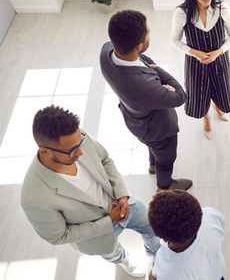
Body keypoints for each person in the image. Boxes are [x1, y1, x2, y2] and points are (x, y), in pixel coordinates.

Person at [21, 105, 161, 278]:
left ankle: (156, 257)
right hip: (96, 235)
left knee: (152, 227)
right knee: (113, 253)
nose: (80, 151)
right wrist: (110, 220)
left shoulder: (76, 139)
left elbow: (104, 158)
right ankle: (123, 260)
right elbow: (59, 236)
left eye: (80, 143)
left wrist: (122, 196)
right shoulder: (33, 197)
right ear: (45, 151)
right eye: (72, 150)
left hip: (125, 203)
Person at [100, 9, 192, 192]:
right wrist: (157, 68)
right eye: (148, 32)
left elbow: (143, 59)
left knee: (153, 148)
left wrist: (153, 72)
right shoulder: (145, 88)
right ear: (138, 46)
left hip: (135, 121)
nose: (150, 34)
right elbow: (181, 95)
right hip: (158, 130)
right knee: (166, 160)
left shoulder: (107, 51)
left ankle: (152, 165)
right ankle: (164, 187)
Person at [171, 0, 230, 139]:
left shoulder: (222, 8)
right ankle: (206, 116)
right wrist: (194, 52)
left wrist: (218, 52)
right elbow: (175, 40)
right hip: (195, 63)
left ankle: (217, 105)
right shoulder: (182, 13)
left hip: (219, 60)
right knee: (199, 92)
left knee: (220, 88)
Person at [148, 189, 226, 280]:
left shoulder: (168, 270)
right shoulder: (210, 216)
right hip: (216, 274)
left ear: (163, 238)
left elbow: (154, 276)